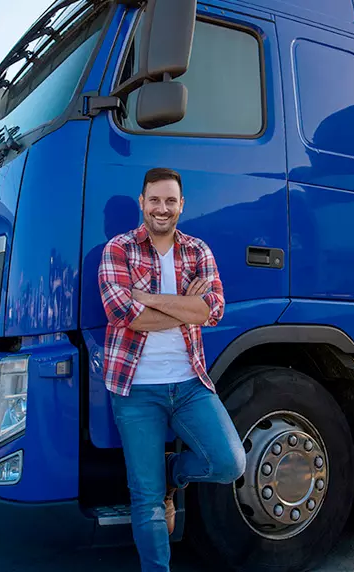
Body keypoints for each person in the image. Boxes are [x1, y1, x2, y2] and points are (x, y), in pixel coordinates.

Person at [97, 167, 245, 571]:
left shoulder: (198, 251)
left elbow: (212, 310)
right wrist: (183, 305)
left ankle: (173, 473)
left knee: (230, 463)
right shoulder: (118, 250)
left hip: (189, 382)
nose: (163, 208)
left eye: (170, 201)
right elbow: (123, 313)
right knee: (145, 500)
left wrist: (148, 296)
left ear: (182, 205)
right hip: (135, 388)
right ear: (142, 203)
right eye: (155, 200)